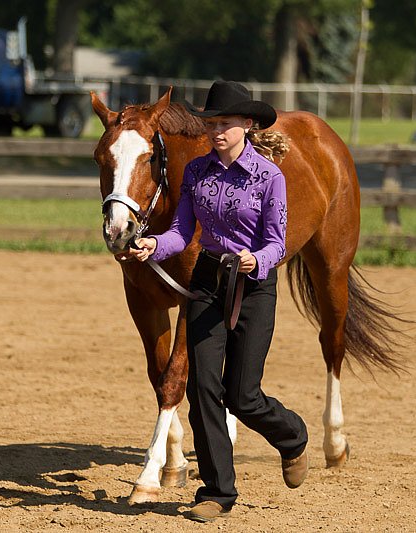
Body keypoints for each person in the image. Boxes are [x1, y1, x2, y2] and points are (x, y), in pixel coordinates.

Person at [129, 80, 309, 523]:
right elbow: (180, 232)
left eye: (225, 124)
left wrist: (256, 260)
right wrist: (154, 245)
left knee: (242, 396)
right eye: (212, 124)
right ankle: (216, 491)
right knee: (201, 387)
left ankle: (293, 437)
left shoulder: (270, 177)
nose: (217, 131)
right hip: (208, 280)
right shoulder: (196, 173)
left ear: (247, 125)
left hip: (253, 284)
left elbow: (276, 242)